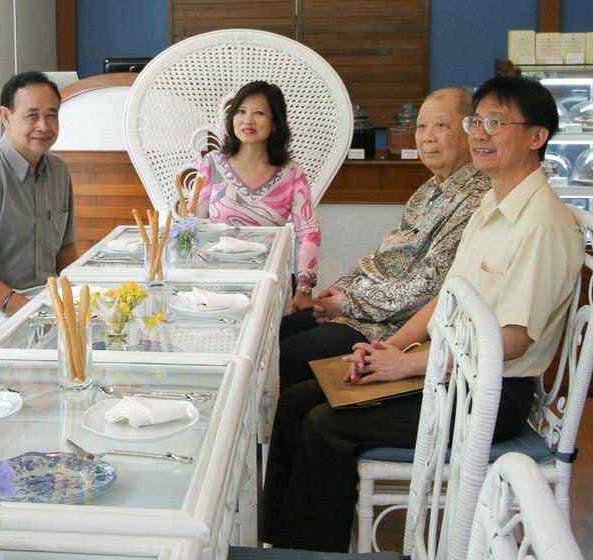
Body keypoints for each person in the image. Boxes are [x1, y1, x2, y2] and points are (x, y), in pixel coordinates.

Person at [261, 75, 584, 552]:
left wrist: (408, 364)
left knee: (324, 425)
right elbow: (447, 297)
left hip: (488, 396)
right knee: (297, 401)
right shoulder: (492, 204)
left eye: (496, 123)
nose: (480, 134)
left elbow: (512, 341)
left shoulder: (541, 226)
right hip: (444, 371)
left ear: (537, 137)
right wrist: (388, 348)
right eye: (477, 122)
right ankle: (277, 546)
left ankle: (314, 552)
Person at [278, 88, 490, 390]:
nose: (427, 137)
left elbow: (431, 286)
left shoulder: (477, 198)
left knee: (281, 357)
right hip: (360, 310)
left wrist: (348, 304)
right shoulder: (428, 190)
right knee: (271, 334)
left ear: (471, 130)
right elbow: (383, 258)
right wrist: (339, 291)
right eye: (421, 126)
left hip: (389, 330)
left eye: (440, 126)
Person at [0, 71, 78, 318]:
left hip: (48, 302)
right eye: (32, 115)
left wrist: (74, 299)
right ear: (6, 116)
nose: (43, 126)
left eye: (51, 115)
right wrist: (26, 310)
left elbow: (66, 247)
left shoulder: (59, 170)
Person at [193, 81, 320, 311]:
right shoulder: (212, 163)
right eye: (241, 111)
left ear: (275, 123)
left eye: (259, 113)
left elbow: (308, 231)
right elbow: (194, 223)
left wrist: (304, 288)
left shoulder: (292, 173)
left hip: (267, 281)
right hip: (215, 281)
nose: (247, 120)